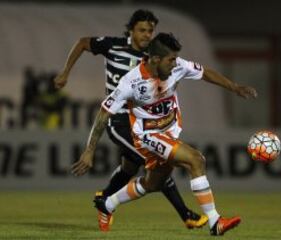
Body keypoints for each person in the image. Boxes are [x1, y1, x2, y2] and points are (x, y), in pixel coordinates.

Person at [71, 33, 257, 236]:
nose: (175, 63)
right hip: (147, 136)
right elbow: (103, 115)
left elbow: (205, 73)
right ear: (156, 59)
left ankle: (107, 203)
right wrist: (89, 151)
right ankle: (215, 222)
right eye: (171, 60)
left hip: (169, 132)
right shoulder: (131, 83)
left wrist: (235, 87)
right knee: (196, 160)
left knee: (153, 183)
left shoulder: (177, 66)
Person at [54, 9, 207, 231]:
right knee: (156, 162)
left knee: (129, 167)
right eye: (142, 30)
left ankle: (104, 199)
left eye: (150, 30)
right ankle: (187, 215)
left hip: (142, 122)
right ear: (131, 30)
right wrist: (65, 72)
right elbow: (83, 43)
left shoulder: (154, 57)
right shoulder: (113, 45)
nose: (147, 34)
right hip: (117, 121)